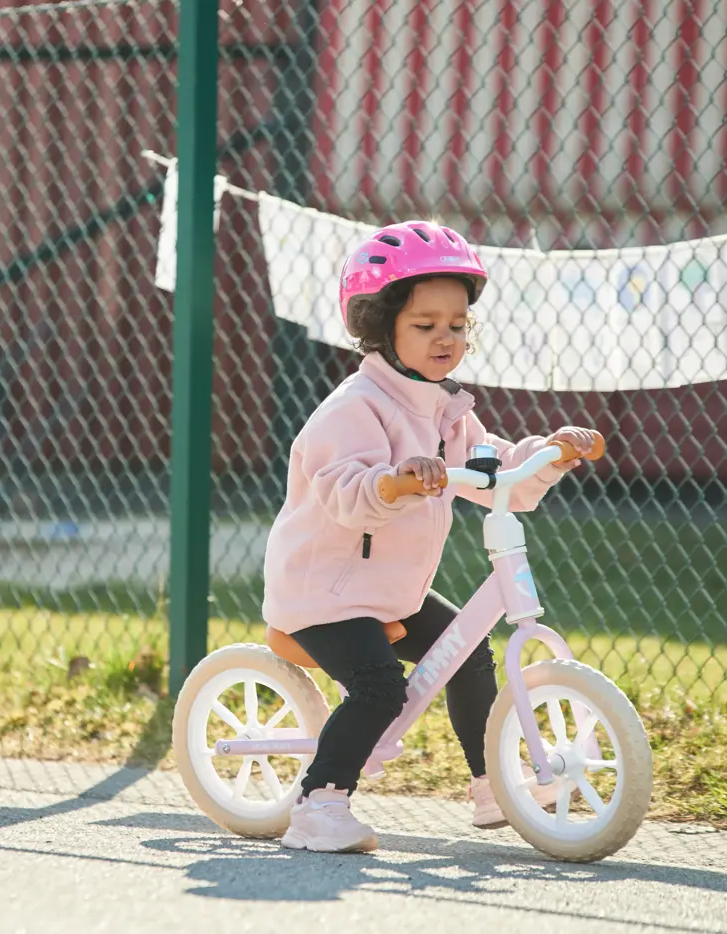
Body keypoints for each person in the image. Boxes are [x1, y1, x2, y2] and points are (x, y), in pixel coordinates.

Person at [262, 220, 596, 854]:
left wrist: (550, 452)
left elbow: (498, 472)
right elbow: (342, 490)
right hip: (324, 593)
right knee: (380, 686)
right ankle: (319, 806)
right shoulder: (353, 407)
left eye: (457, 324)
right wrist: (394, 482)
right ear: (382, 327)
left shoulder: (445, 408)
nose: (446, 337)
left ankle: (493, 786)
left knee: (468, 652)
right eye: (425, 325)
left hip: (390, 592)